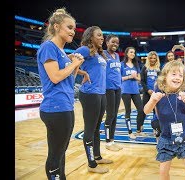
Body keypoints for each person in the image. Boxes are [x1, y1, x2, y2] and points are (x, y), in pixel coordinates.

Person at [37, 8, 84, 179]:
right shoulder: (48, 47)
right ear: (56, 27)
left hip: (64, 106)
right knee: (56, 155)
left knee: (61, 151)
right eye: (69, 27)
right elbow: (56, 77)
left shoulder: (62, 52)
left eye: (74, 28)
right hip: (55, 108)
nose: (73, 31)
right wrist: (72, 64)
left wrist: (76, 64)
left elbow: (68, 80)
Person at [144, 60, 185, 180]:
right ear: (165, 76)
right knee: (163, 172)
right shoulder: (158, 92)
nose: (177, 78)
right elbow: (146, 111)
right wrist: (152, 100)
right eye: (174, 74)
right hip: (166, 136)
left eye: (181, 75)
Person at [74, 26, 112, 174]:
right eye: (99, 35)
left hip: (101, 94)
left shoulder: (99, 53)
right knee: (90, 129)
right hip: (90, 94)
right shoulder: (85, 49)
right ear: (91, 37)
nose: (102, 38)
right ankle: (91, 164)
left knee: (97, 127)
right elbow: (69, 60)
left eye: (102, 35)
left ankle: (97, 156)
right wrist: (82, 72)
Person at [121, 47, 147, 139]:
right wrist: (129, 77)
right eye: (131, 52)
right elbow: (119, 78)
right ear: (127, 53)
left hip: (135, 90)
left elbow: (140, 79)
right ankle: (130, 132)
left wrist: (135, 77)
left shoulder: (136, 66)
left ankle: (138, 130)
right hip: (125, 91)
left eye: (134, 52)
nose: (133, 54)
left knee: (141, 110)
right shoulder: (122, 65)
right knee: (128, 111)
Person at [103, 34, 123, 151]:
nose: (115, 44)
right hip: (108, 88)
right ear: (107, 42)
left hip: (118, 88)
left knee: (115, 115)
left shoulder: (116, 56)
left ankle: (112, 140)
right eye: (113, 42)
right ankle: (107, 142)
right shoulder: (103, 54)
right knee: (110, 115)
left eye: (117, 43)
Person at [140, 51, 161, 141]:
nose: (152, 60)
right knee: (143, 110)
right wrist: (148, 90)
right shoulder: (145, 68)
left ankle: (155, 129)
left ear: (156, 59)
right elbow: (142, 81)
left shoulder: (159, 69)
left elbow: (160, 81)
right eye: (151, 58)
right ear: (148, 59)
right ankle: (140, 127)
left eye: (154, 58)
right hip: (147, 93)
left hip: (156, 93)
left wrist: (156, 91)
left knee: (156, 112)